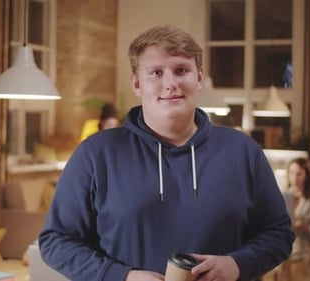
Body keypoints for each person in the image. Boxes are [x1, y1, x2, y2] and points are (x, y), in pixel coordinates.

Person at [39, 25, 294, 281]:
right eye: (156, 73)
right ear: (137, 83)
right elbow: (56, 242)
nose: (170, 84)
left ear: (199, 77)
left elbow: (279, 234)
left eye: (181, 70)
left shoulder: (243, 151)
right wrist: (123, 277)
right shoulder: (95, 154)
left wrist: (238, 264)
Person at [286, 158, 310, 261]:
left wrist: (304, 226)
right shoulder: (285, 195)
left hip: (302, 252)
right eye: (291, 173)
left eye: (299, 174)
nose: (294, 178)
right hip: (282, 251)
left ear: (307, 175)